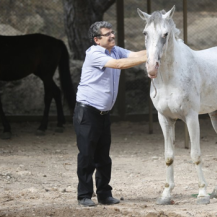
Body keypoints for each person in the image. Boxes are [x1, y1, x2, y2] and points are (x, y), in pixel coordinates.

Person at [73, 21, 147, 207]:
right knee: (87, 155)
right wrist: (149, 58)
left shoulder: (115, 50)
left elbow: (135, 54)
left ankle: (104, 195)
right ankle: (84, 196)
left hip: (103, 113)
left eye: (112, 33)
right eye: (107, 34)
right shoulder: (95, 53)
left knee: (103, 157)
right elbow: (120, 64)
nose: (112, 36)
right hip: (87, 112)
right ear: (97, 40)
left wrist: (158, 48)